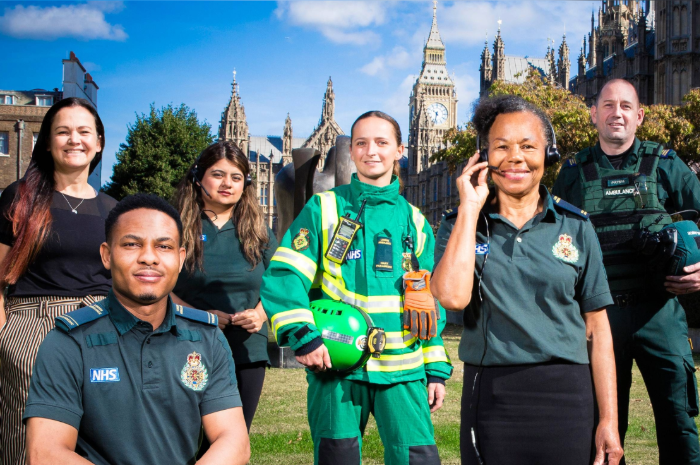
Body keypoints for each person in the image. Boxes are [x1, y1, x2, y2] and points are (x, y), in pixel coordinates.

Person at [431, 95, 623, 465]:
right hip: (490, 398)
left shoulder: (576, 226)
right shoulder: (460, 224)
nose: (515, 157)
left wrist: (609, 420)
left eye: (528, 146)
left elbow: (598, 331)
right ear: (484, 155)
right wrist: (470, 207)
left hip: (568, 399)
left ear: (548, 154)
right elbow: (452, 298)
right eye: (501, 146)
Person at [260, 110, 452, 465]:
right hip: (337, 366)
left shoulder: (416, 221)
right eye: (361, 143)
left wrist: (436, 367)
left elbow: (429, 303)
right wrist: (302, 334)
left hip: (404, 370)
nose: (371, 151)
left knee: (418, 459)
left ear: (399, 150)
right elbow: (286, 274)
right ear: (351, 151)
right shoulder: (324, 208)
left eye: (381, 142)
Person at [23, 193, 250, 464]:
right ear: (107, 255)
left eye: (163, 246)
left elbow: (233, 441)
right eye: (132, 244)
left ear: (180, 259)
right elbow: (46, 452)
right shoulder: (69, 342)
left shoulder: (207, 338)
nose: (149, 258)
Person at [553, 78, 700, 465]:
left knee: (679, 422)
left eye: (625, 106)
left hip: (659, 313)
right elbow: (551, 236)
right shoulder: (573, 172)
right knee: (600, 429)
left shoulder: (664, 163)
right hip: (599, 317)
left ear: (639, 116)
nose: (616, 113)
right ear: (593, 114)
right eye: (607, 105)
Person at [0, 97, 117, 464]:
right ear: (48, 142)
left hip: (100, 326)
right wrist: (4, 334)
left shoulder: (114, 210)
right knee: (30, 438)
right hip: (34, 325)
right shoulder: (21, 197)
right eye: (63, 132)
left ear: (98, 142)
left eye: (84, 131)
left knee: (98, 434)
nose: (74, 139)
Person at [171, 140, 278, 433]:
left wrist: (260, 314)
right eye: (217, 174)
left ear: (246, 184)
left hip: (246, 350)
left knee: (235, 438)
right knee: (187, 439)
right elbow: (155, 285)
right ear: (199, 177)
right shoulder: (175, 227)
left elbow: (282, 282)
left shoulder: (258, 231)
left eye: (236, 177)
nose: (227, 183)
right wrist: (197, 316)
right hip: (187, 345)